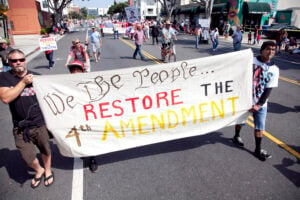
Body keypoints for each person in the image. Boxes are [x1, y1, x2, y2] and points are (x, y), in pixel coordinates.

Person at [0, 49, 54, 188]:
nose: (18, 62)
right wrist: (23, 82)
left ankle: (47, 170)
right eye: (14, 60)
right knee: (27, 156)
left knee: (45, 150)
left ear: (25, 60)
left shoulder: (37, 77)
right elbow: (6, 98)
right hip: (20, 127)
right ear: (9, 62)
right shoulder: (4, 77)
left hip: (39, 123)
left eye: (21, 60)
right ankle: (38, 169)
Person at [232, 41, 279, 161]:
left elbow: (269, 89)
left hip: (261, 104)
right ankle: (236, 135)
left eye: (273, 49)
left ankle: (258, 149)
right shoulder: (250, 61)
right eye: (268, 49)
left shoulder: (274, 70)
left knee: (260, 127)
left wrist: (259, 104)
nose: (271, 52)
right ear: (262, 50)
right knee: (241, 121)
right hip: (245, 100)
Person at [67, 60, 98, 173]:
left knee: (91, 137)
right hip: (75, 116)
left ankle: (93, 159)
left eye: (78, 69)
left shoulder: (89, 82)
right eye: (73, 70)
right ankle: (83, 152)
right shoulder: (64, 84)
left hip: (89, 115)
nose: (75, 72)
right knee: (80, 137)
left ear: (82, 71)